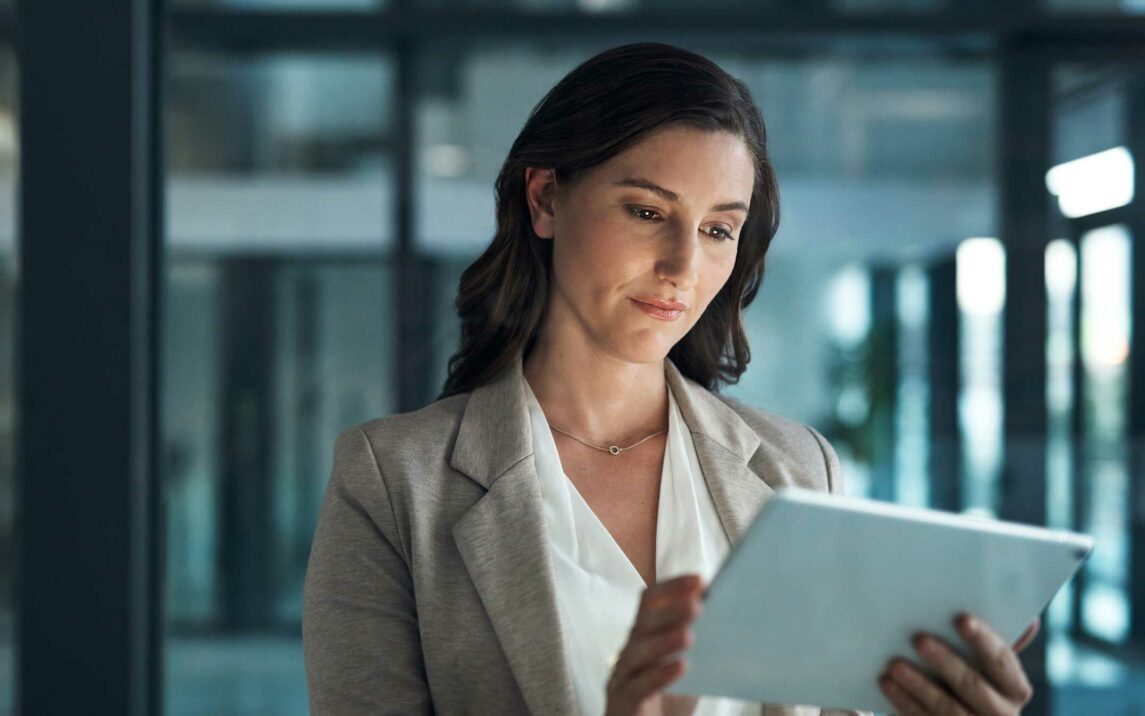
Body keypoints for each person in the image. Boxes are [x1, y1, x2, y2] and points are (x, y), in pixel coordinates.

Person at [302, 42, 1041, 716]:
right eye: (647, 210)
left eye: (718, 229)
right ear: (545, 199)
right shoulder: (394, 480)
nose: (683, 267)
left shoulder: (796, 466)